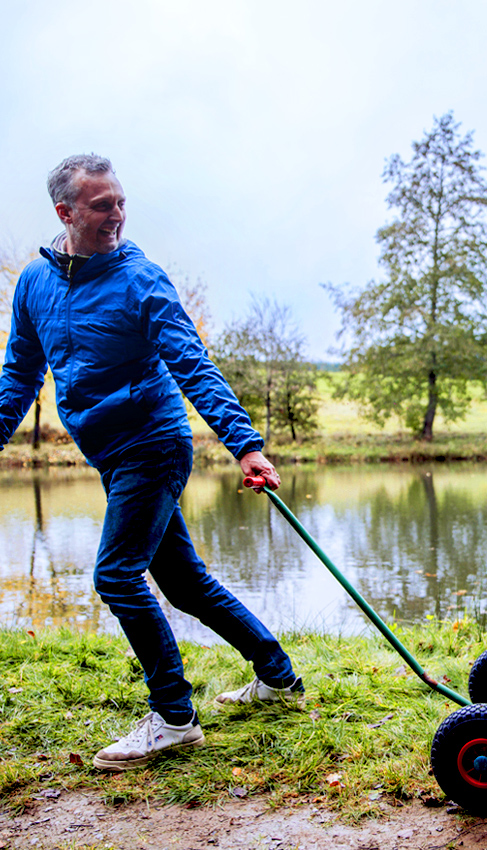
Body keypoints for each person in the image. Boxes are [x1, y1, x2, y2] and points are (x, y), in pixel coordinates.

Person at [0, 154, 305, 771]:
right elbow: (20, 373)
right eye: (101, 205)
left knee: (115, 575)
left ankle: (173, 716)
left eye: (120, 201)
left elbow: (192, 363)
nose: (118, 214)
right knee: (184, 581)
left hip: (154, 441)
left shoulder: (141, 279)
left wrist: (244, 445)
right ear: (65, 213)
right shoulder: (35, 283)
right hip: (109, 452)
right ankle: (278, 677)